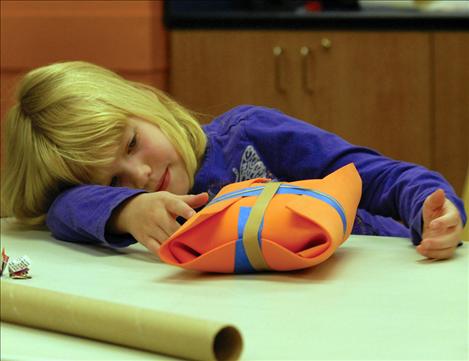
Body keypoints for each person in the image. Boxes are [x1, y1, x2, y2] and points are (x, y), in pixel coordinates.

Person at [1, 61, 465, 260]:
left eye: (130, 144)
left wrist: (433, 211)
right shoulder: (135, 217)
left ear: (142, 103)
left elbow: (380, 177)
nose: (141, 176)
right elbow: (60, 209)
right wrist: (125, 210)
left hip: (393, 268)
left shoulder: (248, 132)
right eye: (114, 182)